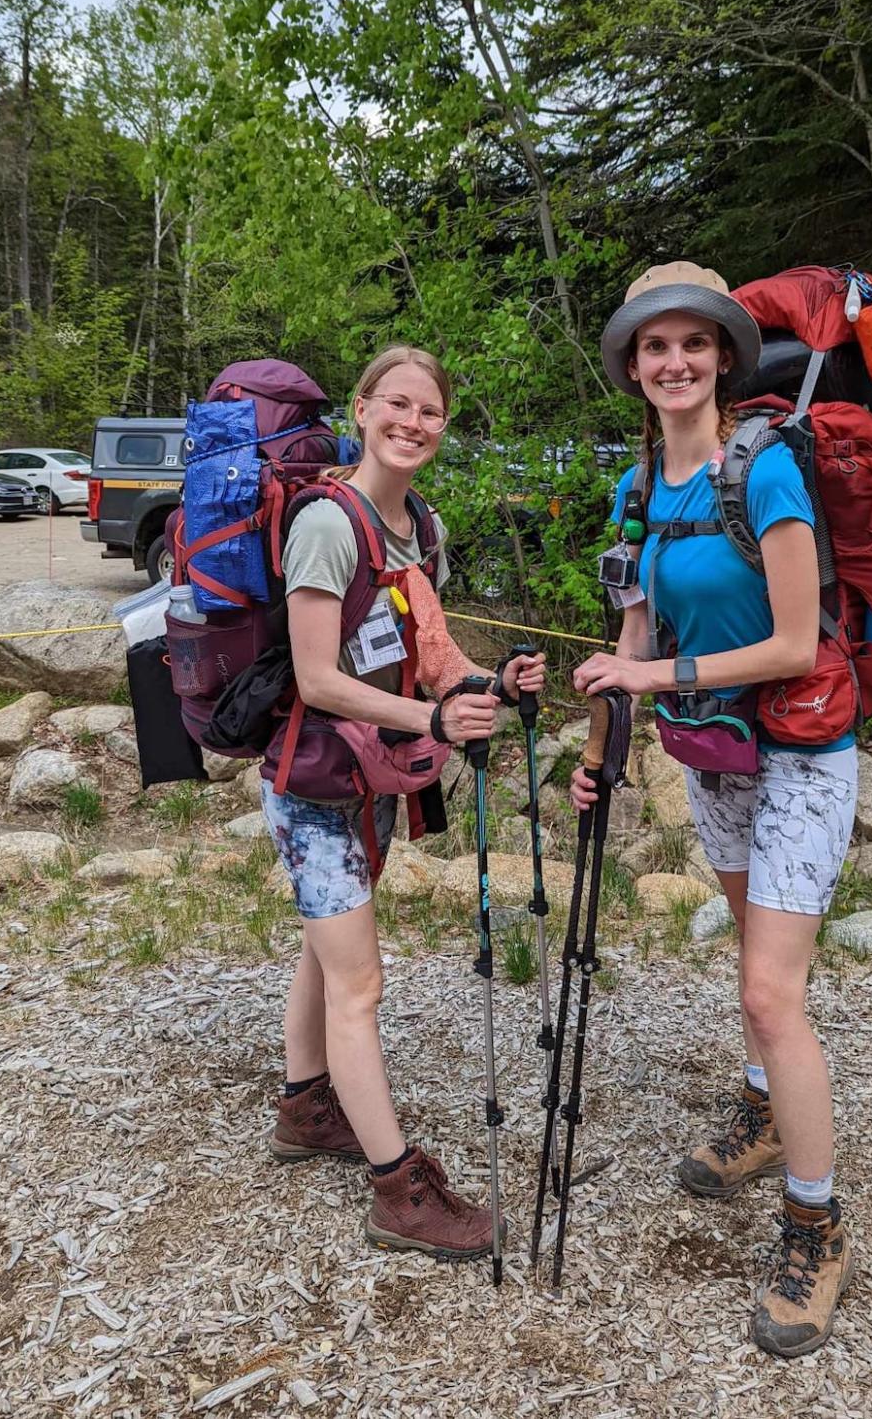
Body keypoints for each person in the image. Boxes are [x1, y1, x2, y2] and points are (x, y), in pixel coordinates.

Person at [570, 263, 857, 1357]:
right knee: (751, 953)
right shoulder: (639, 491)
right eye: (655, 347)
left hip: (801, 752)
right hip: (717, 751)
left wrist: (656, 685)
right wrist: (603, 751)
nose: (674, 362)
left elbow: (793, 640)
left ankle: (816, 1224)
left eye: (694, 344)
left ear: (724, 359)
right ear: (633, 368)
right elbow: (631, 643)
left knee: (769, 992)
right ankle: (759, 1109)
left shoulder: (768, 468)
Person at [264, 344, 545, 1262]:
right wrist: (430, 715)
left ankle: (308, 1109)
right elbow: (317, 676)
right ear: (362, 407)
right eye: (398, 404)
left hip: (363, 779)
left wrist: (486, 680)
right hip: (312, 782)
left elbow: (427, 649)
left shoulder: (416, 526)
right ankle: (398, 1192)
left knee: (325, 943)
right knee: (360, 983)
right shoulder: (327, 524)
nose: (414, 423)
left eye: (430, 411)